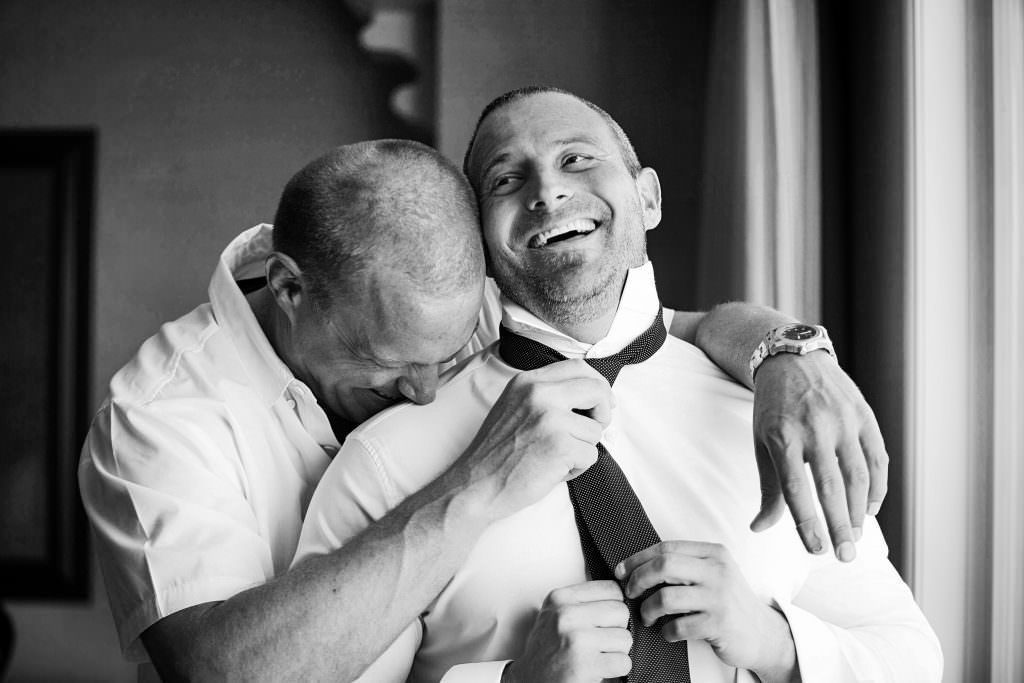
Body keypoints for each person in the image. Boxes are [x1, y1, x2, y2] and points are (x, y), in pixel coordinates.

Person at [81, 138, 886, 681]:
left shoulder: (453, 312)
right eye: (393, 367)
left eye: (454, 348)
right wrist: (480, 483)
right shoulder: (158, 416)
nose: (431, 391)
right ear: (290, 289)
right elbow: (224, 675)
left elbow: (659, 329)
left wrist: (793, 354)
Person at [294, 88, 941, 682]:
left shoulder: (774, 414)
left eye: (577, 159)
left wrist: (773, 640)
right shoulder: (386, 460)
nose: (546, 191)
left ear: (649, 199)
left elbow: (912, 657)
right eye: (506, 179)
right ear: (480, 243)